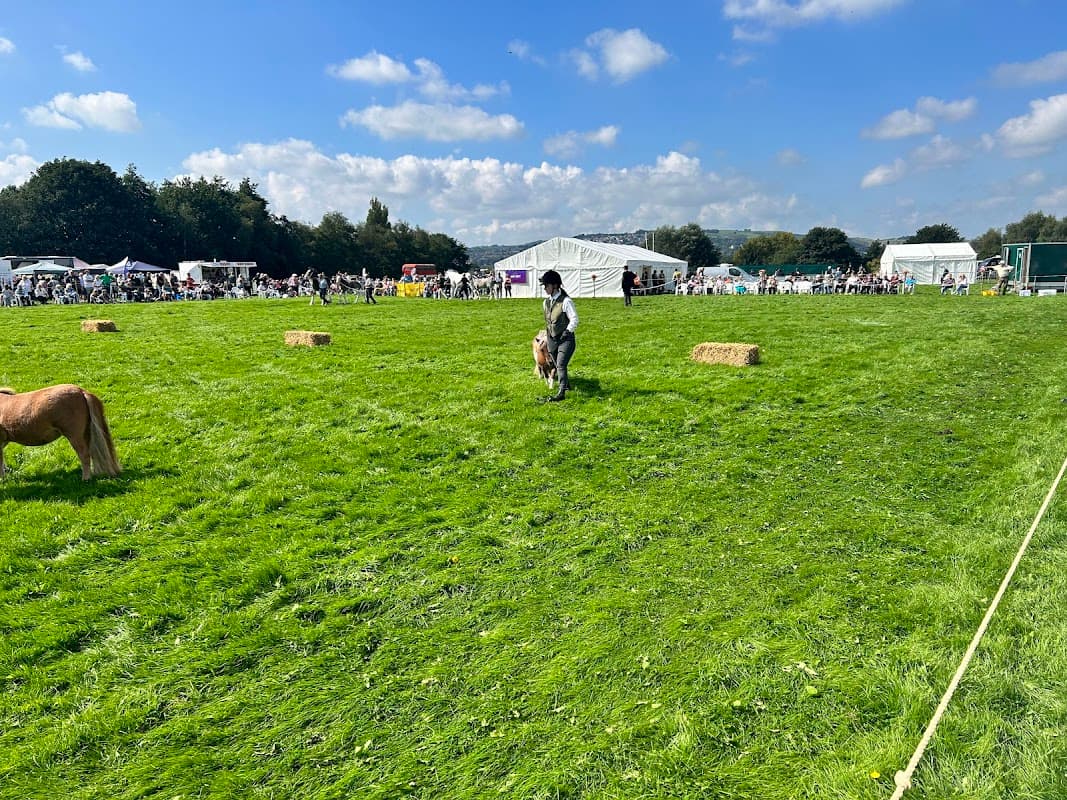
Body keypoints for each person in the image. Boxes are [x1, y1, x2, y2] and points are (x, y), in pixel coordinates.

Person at [539, 270, 578, 402]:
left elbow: (574, 319)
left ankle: (561, 393)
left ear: (555, 285)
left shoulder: (566, 301)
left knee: (560, 364)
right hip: (552, 339)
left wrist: (567, 331)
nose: (544, 288)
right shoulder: (545, 303)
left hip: (566, 339)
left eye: (546, 285)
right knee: (556, 364)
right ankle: (566, 384)